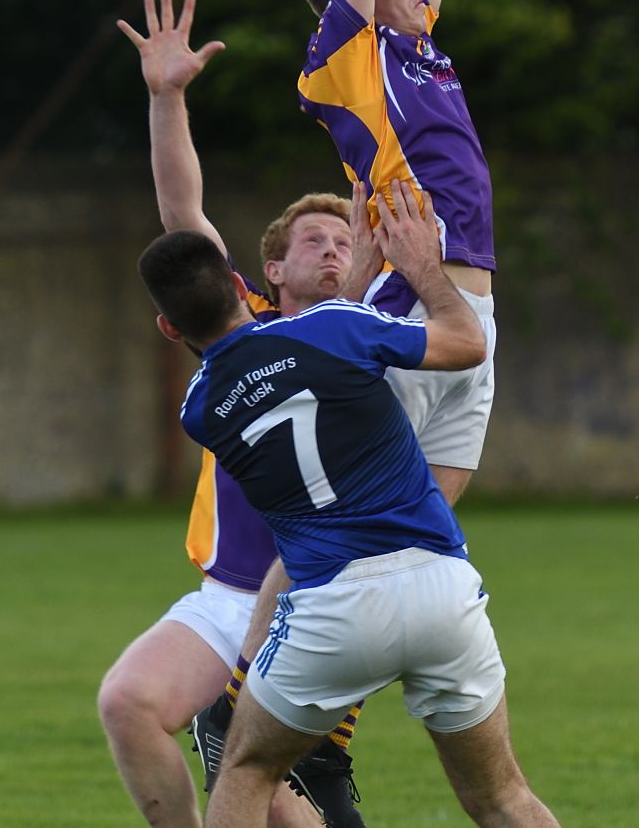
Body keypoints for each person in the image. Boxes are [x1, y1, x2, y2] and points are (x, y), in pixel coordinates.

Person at [136, 182, 562, 828]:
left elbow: (283, 366)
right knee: (502, 799)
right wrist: (418, 268)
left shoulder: (200, 408)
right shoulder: (336, 327)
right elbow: (466, 344)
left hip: (333, 606)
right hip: (440, 588)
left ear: (170, 327)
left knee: (246, 766)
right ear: (240, 286)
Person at [100, 0, 372, 828]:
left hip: (316, 596)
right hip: (228, 593)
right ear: (271, 273)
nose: (333, 250)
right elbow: (182, 215)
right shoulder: (239, 326)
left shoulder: (369, 336)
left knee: (269, 795)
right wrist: (166, 97)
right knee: (130, 701)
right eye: (313, 243)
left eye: (345, 239)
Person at [294, 0, 497, 507]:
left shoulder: (417, 45)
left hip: (475, 307)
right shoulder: (349, 58)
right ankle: (261, 637)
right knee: (350, 522)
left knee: (431, 532)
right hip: (416, 299)